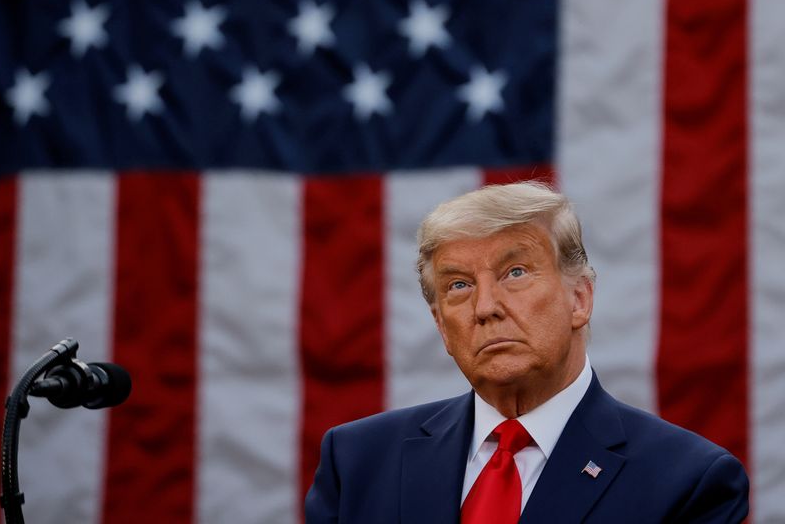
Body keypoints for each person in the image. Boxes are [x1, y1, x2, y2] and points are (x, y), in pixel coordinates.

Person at [304, 181, 749, 523]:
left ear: (579, 300)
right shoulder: (358, 461)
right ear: (441, 325)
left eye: (515, 272)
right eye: (458, 285)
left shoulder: (688, 481)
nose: (486, 308)